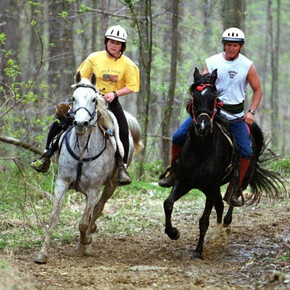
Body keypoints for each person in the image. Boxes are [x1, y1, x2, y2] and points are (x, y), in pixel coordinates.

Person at [158, 27, 263, 207]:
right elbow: (203, 84)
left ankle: (235, 189)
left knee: (246, 151)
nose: (231, 48)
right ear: (224, 45)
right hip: (211, 112)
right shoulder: (213, 61)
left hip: (235, 116)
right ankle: (174, 171)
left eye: (235, 45)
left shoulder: (247, 65)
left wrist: (251, 112)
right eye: (228, 45)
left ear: (240, 47)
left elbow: (258, 90)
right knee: (178, 137)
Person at [31, 25, 140, 185]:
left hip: (110, 101)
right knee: (60, 121)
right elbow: (81, 76)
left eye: (118, 43)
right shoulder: (93, 58)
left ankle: (121, 167)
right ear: (106, 42)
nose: (114, 45)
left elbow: (132, 86)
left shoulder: (128, 64)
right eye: (111, 42)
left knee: (122, 129)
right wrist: (89, 90)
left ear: (122, 46)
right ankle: (46, 156)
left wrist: (115, 94)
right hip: (88, 99)